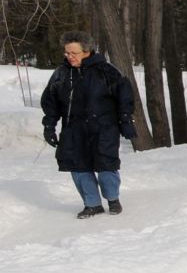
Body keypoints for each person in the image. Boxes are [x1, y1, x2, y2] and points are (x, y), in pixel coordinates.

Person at [40, 30, 137, 218]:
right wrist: (49, 126)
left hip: (104, 128)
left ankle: (112, 199)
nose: (69, 57)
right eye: (66, 53)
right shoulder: (61, 74)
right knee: (78, 166)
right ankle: (92, 204)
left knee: (106, 164)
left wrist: (126, 120)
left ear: (87, 51)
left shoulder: (107, 71)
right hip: (73, 129)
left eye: (73, 53)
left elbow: (125, 97)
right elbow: (51, 102)